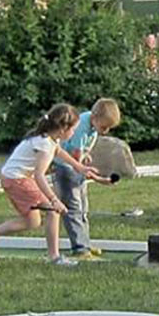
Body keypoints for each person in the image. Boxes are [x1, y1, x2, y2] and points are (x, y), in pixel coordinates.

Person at [0, 104, 89, 266]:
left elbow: (58, 152)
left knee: (32, 221)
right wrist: (54, 200)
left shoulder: (49, 139)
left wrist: (79, 166)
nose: (74, 133)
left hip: (14, 178)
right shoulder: (45, 145)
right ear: (62, 129)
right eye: (73, 129)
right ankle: (54, 257)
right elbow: (40, 176)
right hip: (17, 180)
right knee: (53, 212)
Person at [52, 98, 121, 261]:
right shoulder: (82, 126)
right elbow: (75, 153)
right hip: (66, 167)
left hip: (76, 166)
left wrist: (85, 156)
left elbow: (81, 150)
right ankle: (80, 248)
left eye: (109, 128)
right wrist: (87, 171)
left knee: (83, 206)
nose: (105, 131)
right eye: (104, 127)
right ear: (95, 117)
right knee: (74, 207)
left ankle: (85, 243)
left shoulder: (93, 125)